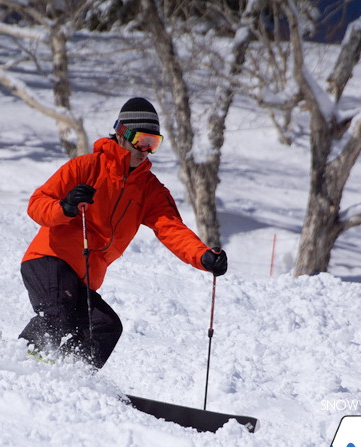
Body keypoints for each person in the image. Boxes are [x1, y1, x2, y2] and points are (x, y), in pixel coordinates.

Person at [18, 97, 227, 369]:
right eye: (142, 141)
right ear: (121, 134)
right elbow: (37, 204)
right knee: (59, 313)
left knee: (105, 326)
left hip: (83, 278)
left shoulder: (149, 189)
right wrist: (65, 207)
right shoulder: (85, 167)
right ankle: (19, 363)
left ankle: (71, 373)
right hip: (49, 259)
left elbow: (172, 228)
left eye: (154, 144)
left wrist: (202, 256)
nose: (146, 150)